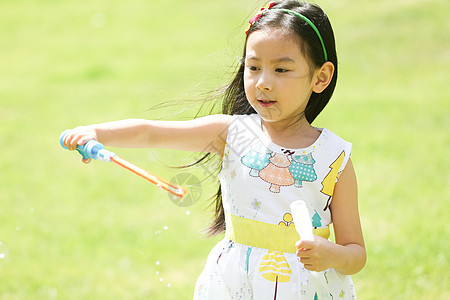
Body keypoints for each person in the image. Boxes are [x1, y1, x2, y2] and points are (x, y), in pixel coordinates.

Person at [63, 0, 366, 298]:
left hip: (304, 287)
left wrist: (332, 255)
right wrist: (97, 133)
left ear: (321, 77)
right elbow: (152, 133)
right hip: (235, 284)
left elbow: (356, 253)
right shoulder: (231, 133)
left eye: (281, 70)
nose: (263, 82)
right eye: (254, 66)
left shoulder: (334, 156)